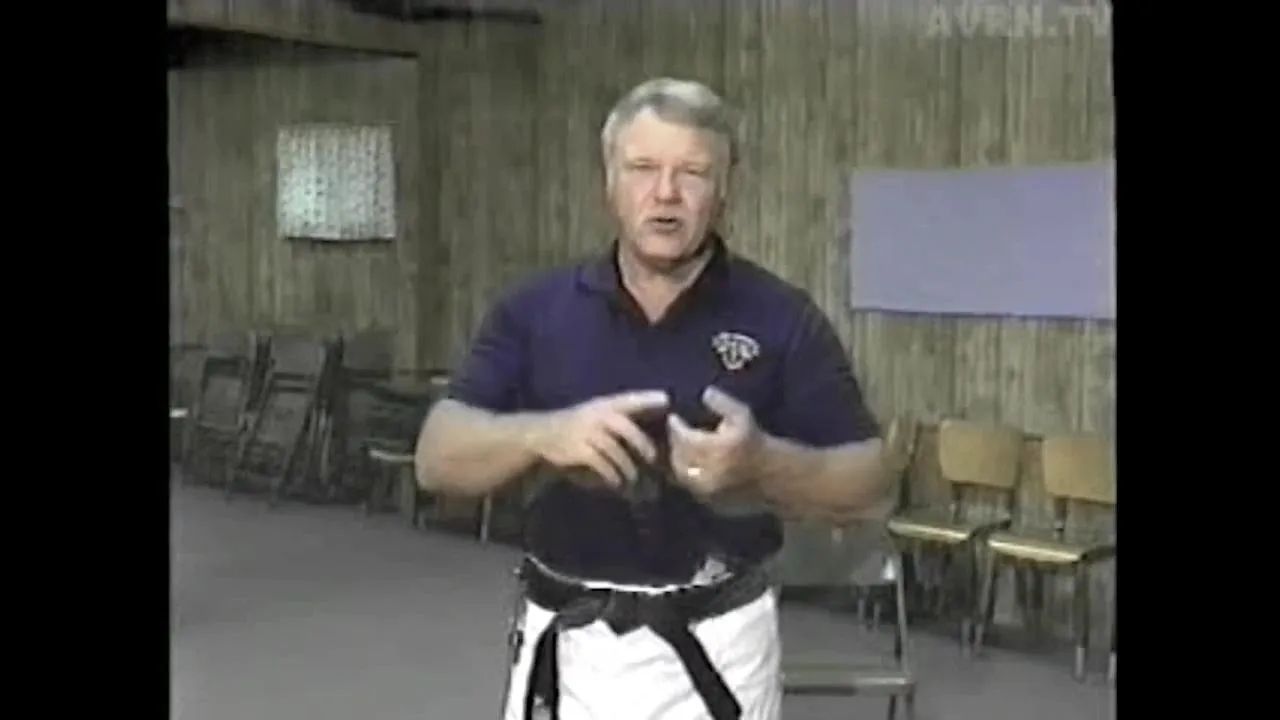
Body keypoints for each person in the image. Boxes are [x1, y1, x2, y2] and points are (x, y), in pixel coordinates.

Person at [416, 77, 889, 720]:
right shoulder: (535, 311)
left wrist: (762, 464)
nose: (666, 193)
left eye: (693, 172)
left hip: (719, 648)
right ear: (610, 181)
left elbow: (869, 485)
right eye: (643, 168)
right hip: (567, 647)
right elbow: (435, 458)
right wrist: (542, 435)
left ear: (726, 188)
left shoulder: (781, 318)